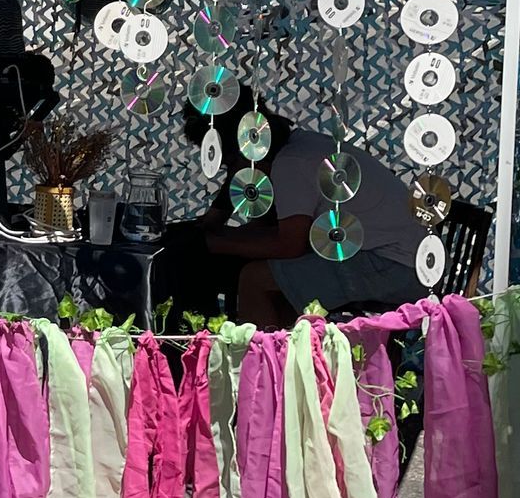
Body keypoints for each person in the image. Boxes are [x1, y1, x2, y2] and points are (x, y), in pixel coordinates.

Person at [176, 88, 423, 328]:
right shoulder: (301, 146)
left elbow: (289, 245)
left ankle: (265, 365)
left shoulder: (291, 164)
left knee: (255, 279)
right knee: (280, 279)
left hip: (395, 267)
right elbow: (278, 233)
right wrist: (217, 232)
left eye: (228, 162)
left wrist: (215, 243)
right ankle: (287, 358)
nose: (232, 173)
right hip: (402, 260)